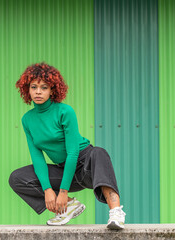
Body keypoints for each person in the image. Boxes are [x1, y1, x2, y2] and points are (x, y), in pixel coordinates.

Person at [9, 62, 126, 229]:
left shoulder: (64, 111)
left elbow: (72, 152)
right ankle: (69, 206)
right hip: (63, 170)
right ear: (27, 90)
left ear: (52, 90)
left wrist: (63, 192)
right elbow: (37, 157)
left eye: (44, 87)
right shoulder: (27, 119)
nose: (38, 91)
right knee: (17, 178)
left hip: (85, 163)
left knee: (99, 152)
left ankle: (116, 214)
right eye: (33, 87)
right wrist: (48, 189)